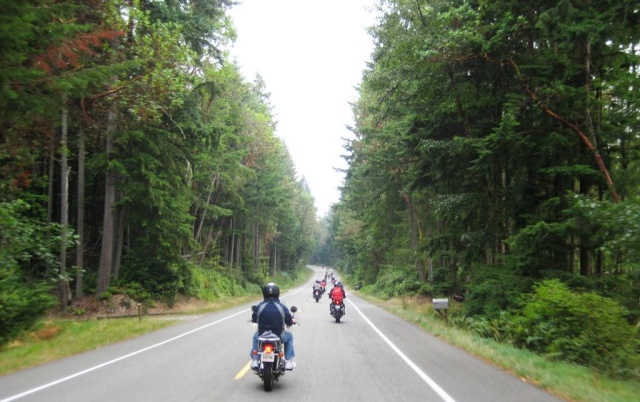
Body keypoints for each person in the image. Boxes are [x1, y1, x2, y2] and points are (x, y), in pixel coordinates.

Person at [250, 282, 296, 370]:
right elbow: (289, 322)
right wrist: (291, 321)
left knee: (255, 337)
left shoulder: (260, 306)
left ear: (264, 293)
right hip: (278, 336)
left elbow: (254, 319)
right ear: (277, 293)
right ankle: (288, 362)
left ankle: (255, 361)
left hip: (262, 336)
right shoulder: (282, 307)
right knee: (289, 337)